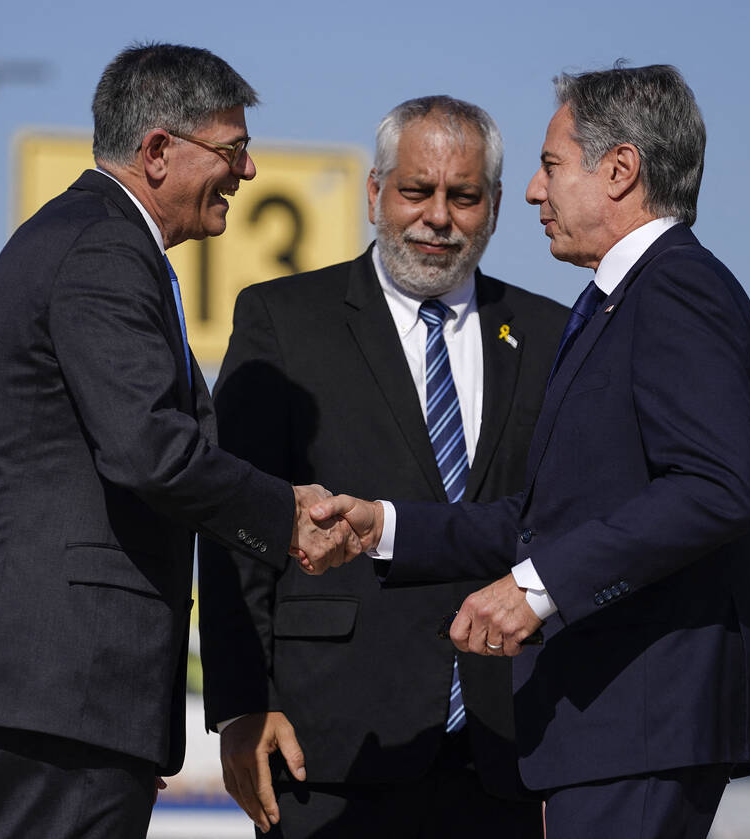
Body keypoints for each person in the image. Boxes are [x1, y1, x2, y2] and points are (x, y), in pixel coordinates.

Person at [0, 43, 353, 839]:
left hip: (69, 691)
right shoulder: (104, 250)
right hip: (63, 684)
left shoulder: (86, 239)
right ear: (158, 151)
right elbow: (150, 449)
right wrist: (285, 513)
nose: (248, 172)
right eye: (233, 149)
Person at [311, 65, 750, 838]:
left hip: (645, 719)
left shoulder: (676, 290)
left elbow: (714, 488)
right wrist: (384, 527)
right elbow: (545, 519)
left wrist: (537, 587)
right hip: (607, 728)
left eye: (552, 165)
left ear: (621, 170)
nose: (532, 190)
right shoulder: (605, 307)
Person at [198, 96, 568, 837]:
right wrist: (241, 704)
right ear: (375, 193)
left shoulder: (554, 333)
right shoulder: (282, 319)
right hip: (327, 743)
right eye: (416, 191)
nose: (438, 217)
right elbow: (235, 520)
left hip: (504, 750)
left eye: (463, 197)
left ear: (493, 206)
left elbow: (560, 521)